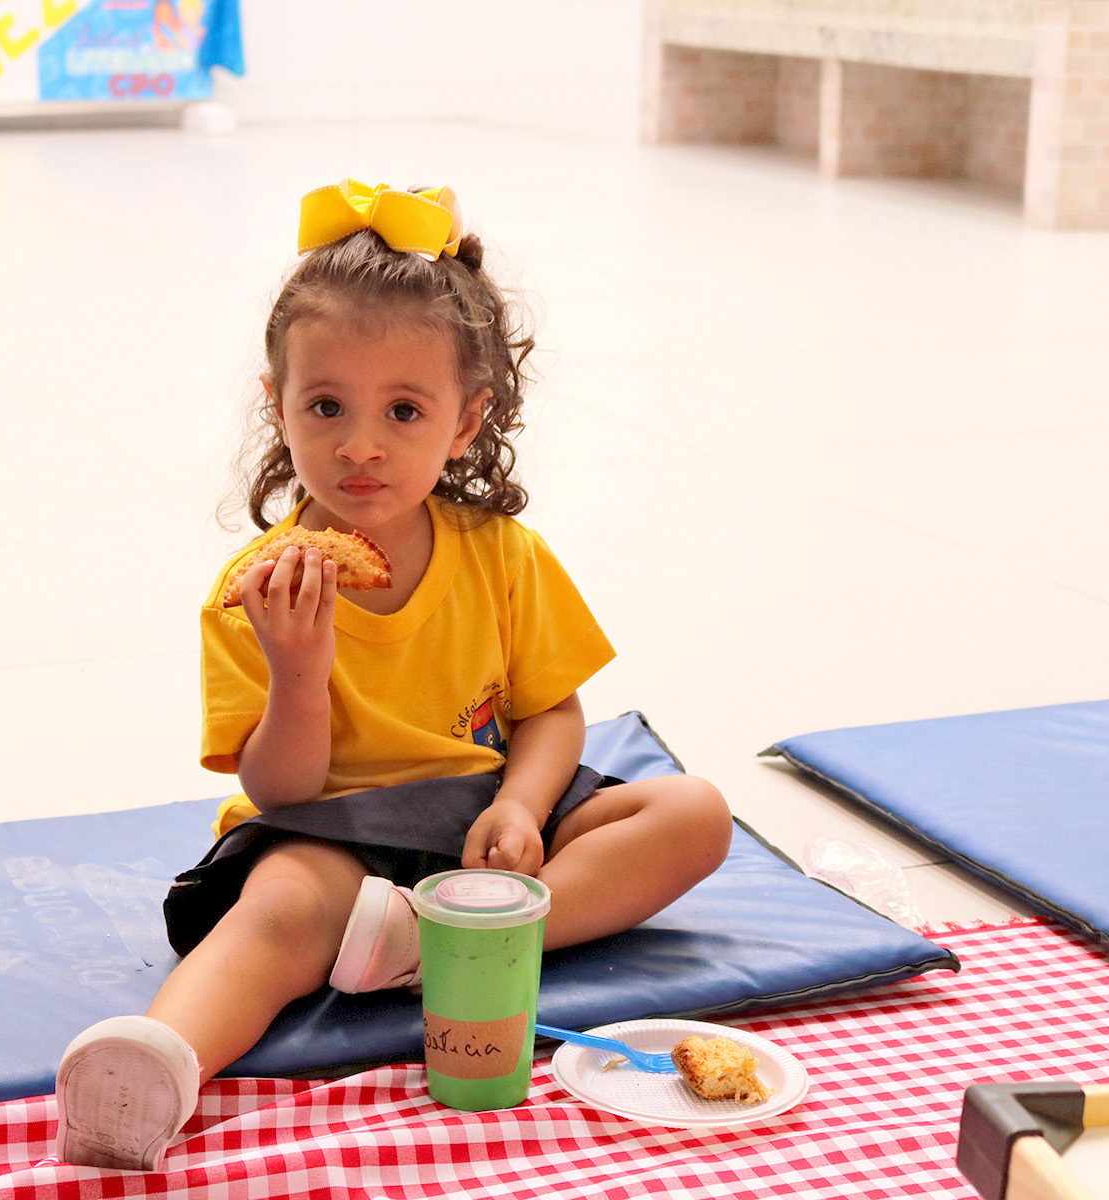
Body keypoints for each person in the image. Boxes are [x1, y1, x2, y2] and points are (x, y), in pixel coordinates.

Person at [51, 178, 733, 1171]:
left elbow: (551, 711)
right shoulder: (257, 593)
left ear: (465, 421)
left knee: (693, 812)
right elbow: (279, 791)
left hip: (484, 826)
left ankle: (434, 943)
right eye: (325, 406)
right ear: (278, 406)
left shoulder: (504, 556)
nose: (360, 445)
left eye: (404, 410)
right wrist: (298, 672)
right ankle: (155, 1067)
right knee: (279, 912)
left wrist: (522, 803)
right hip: (333, 835)